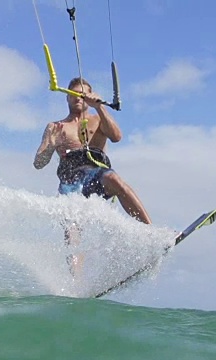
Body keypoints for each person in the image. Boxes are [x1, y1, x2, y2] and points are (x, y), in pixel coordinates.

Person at [33, 77, 152, 277]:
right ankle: (77, 285)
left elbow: (116, 137)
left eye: (82, 94)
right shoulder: (55, 127)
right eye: (73, 94)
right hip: (70, 184)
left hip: (96, 176)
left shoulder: (98, 120)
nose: (78, 98)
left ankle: (150, 233)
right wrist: (51, 144)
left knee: (114, 179)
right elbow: (38, 163)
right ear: (67, 98)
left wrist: (99, 107)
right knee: (72, 231)